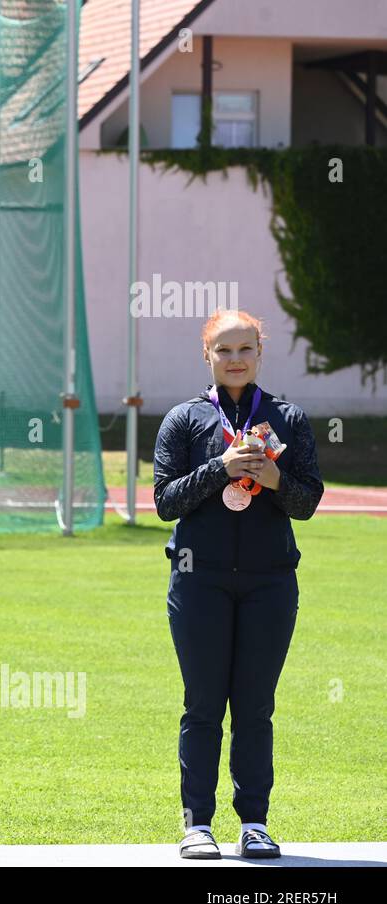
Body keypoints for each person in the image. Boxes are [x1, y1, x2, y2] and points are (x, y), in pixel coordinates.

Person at [153, 308, 323, 859]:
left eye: (244, 349)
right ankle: (196, 824)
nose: (234, 360)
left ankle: (254, 822)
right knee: (203, 705)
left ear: (259, 353)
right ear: (207, 354)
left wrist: (274, 479)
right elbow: (164, 502)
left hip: (270, 585)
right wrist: (220, 467)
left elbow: (308, 503)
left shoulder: (288, 418)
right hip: (197, 582)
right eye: (223, 350)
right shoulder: (184, 420)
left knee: (254, 706)